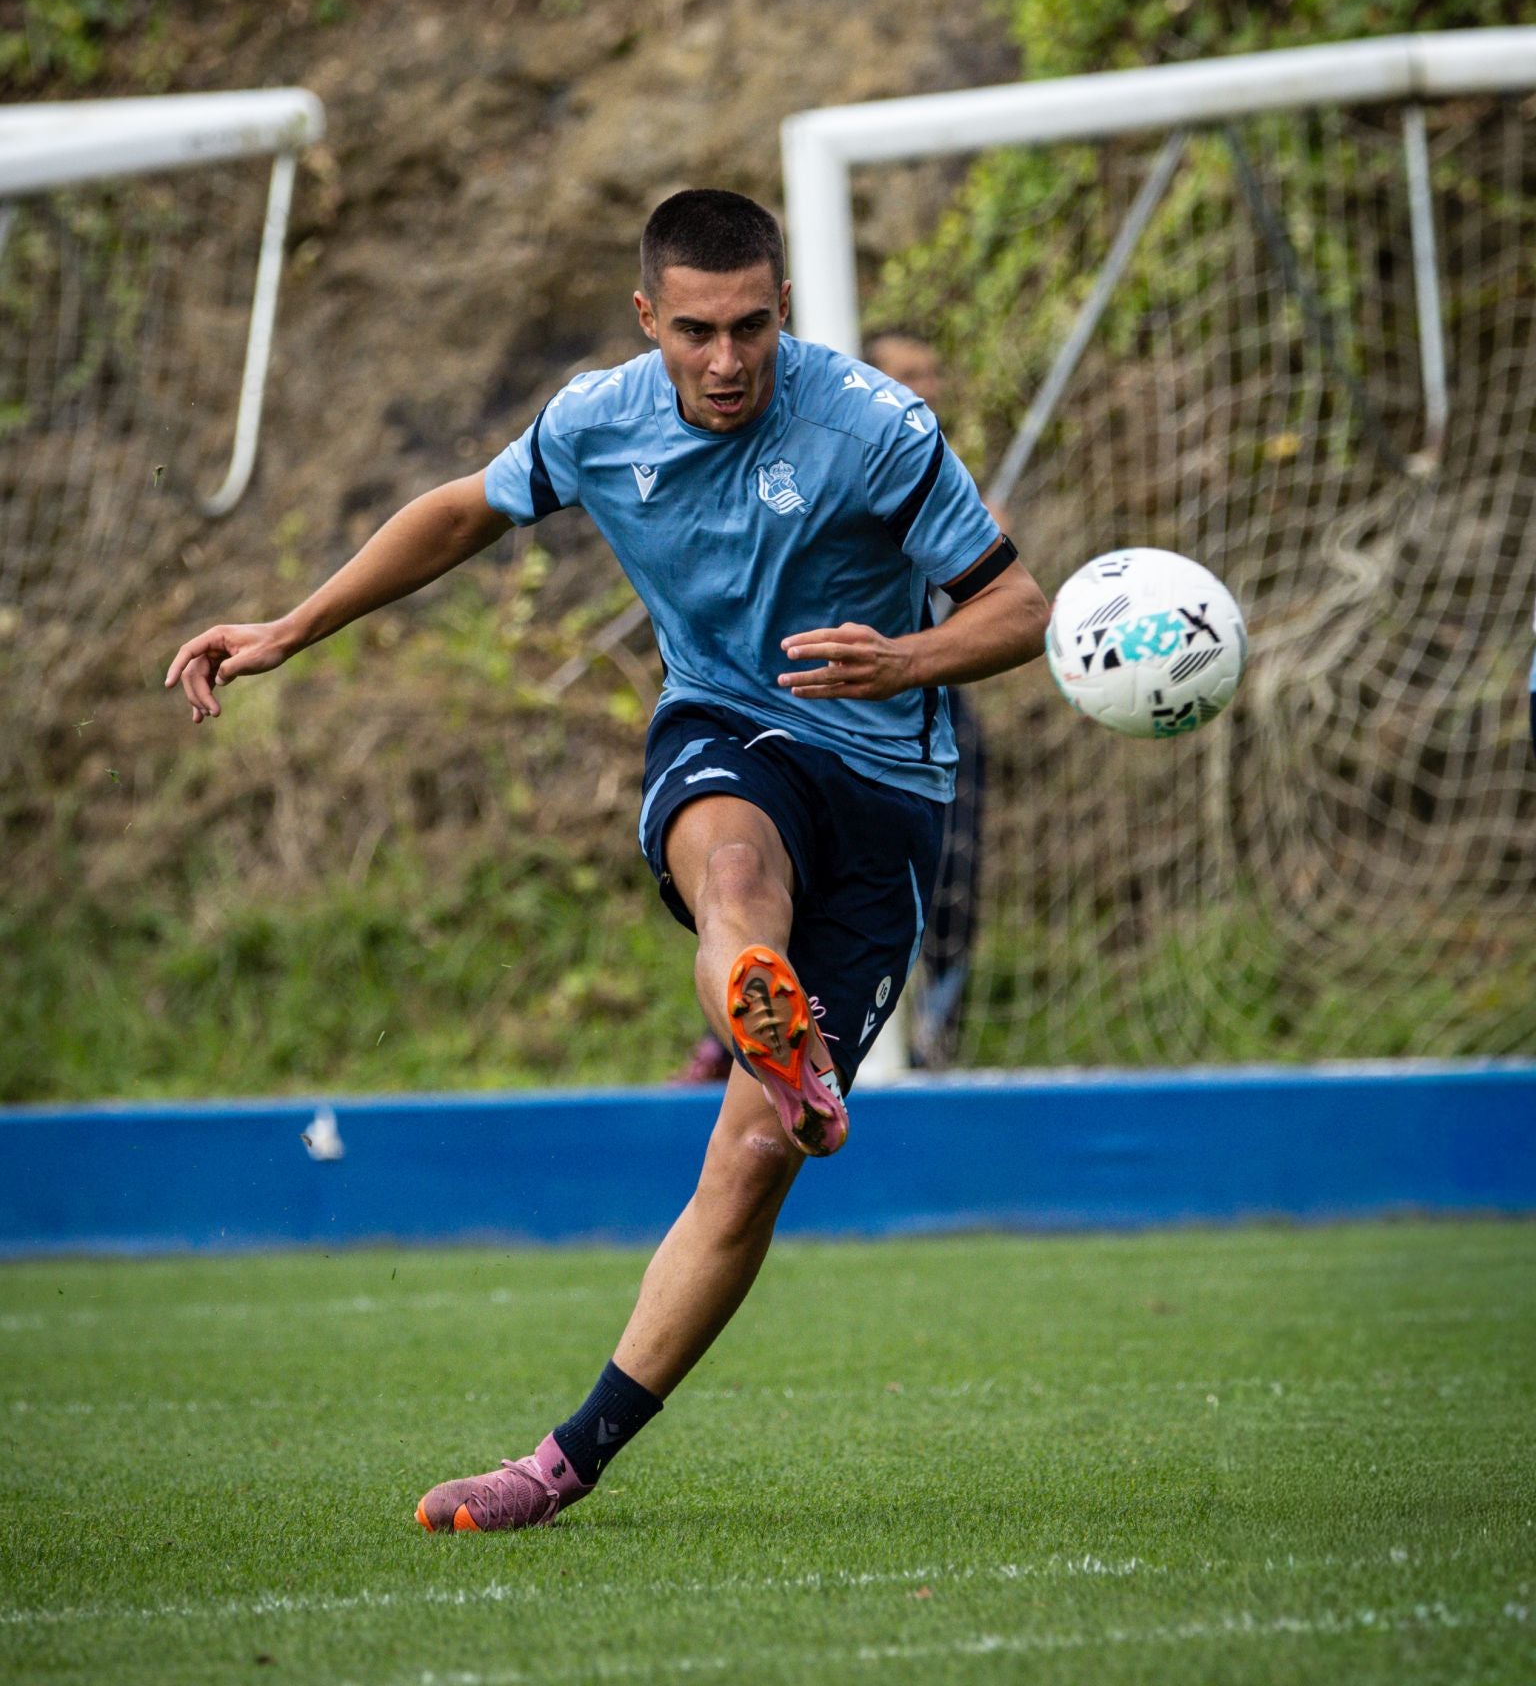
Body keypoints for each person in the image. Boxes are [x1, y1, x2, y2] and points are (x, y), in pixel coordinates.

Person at [165, 189, 1050, 1534]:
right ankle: (768, 1010)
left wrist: (908, 658)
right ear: (649, 319)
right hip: (728, 724)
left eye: (752, 325)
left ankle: (571, 1448)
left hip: (885, 781)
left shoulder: (874, 427)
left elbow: (1019, 604)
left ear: (782, 311)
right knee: (732, 869)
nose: (727, 358)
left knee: (752, 1163)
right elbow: (461, 510)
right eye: (696, 330)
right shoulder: (599, 417)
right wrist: (292, 626)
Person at [669, 326, 987, 1083]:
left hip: (915, 708)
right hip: (789, 700)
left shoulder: (936, 468)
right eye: (904, 372)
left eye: (931, 369)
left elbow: (1002, 597)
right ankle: (741, 1035)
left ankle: (928, 1037)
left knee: (947, 885)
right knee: (750, 872)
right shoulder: (826, 448)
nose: (924, 385)